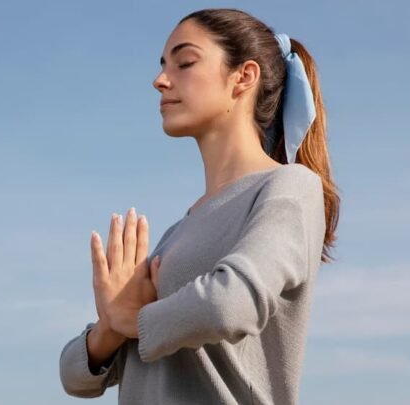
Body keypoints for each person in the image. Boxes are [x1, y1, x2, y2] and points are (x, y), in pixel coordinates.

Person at [59, 7, 340, 405]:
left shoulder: (289, 188)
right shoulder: (178, 234)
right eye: (162, 66)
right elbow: (74, 376)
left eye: (185, 62)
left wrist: (134, 321)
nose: (160, 80)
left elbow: (231, 303)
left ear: (243, 77)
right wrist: (109, 328)